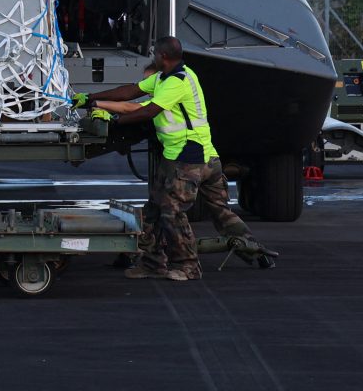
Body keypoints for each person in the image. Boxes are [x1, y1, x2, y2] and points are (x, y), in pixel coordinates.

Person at [88, 35, 263, 281]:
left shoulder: (178, 82)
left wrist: (114, 121)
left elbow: (149, 111)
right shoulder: (164, 78)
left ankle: (188, 266)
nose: (153, 57)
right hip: (195, 155)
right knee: (173, 210)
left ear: (163, 57)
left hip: (189, 157)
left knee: (170, 211)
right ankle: (254, 251)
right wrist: (90, 99)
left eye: (155, 54)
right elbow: (131, 91)